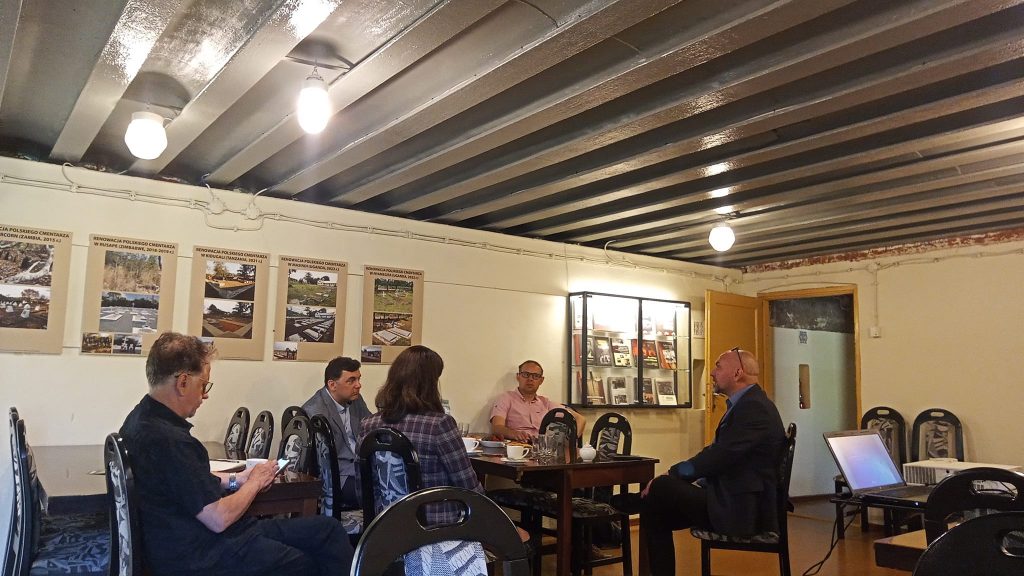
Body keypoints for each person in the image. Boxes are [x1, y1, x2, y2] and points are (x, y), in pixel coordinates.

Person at [120, 332, 352, 576]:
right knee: (307, 562)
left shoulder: (138, 420)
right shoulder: (170, 440)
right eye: (203, 385)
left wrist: (237, 479)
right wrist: (254, 483)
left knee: (328, 530)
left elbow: (185, 483)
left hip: (182, 539)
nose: (205, 394)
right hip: (203, 553)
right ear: (183, 383)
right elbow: (219, 518)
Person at [640, 348, 785, 576]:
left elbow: (718, 457)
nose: (712, 373)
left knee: (661, 488)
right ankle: (639, 503)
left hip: (742, 510)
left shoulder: (754, 408)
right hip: (731, 499)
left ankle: (634, 502)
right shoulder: (748, 404)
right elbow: (718, 454)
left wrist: (672, 473)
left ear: (737, 373)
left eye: (718, 366)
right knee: (655, 509)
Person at [360, 345, 483, 525]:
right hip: (436, 527)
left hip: (383, 525)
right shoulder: (440, 425)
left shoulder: (368, 424)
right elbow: (469, 487)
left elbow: (361, 488)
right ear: (430, 384)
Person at [301, 356, 373, 510]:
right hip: (337, 475)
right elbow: (320, 462)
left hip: (360, 465)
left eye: (358, 379)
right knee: (376, 492)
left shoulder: (356, 400)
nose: (358, 385)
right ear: (332, 385)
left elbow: (371, 428)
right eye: (351, 380)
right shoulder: (314, 411)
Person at [489, 359, 585, 442]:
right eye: (526, 375)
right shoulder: (505, 398)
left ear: (541, 380)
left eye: (535, 376)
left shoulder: (546, 403)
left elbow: (580, 419)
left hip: (543, 449)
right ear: (518, 376)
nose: (530, 379)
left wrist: (570, 442)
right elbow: (496, 428)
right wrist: (514, 434)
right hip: (517, 447)